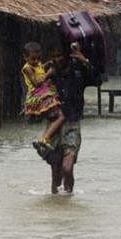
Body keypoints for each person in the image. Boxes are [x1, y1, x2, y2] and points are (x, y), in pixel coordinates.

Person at [46, 43, 99, 194]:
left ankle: (69, 197)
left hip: (72, 123)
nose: (58, 59)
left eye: (60, 55)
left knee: (67, 168)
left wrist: (85, 60)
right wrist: (46, 74)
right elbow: (34, 87)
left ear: (67, 55)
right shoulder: (50, 72)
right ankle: (57, 206)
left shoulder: (78, 71)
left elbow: (97, 80)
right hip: (53, 125)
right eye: (54, 56)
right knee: (56, 176)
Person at [21, 42, 65, 151]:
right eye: (33, 59)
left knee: (55, 116)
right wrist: (47, 74)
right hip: (38, 95)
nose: (36, 61)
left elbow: (40, 68)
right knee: (61, 116)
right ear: (25, 57)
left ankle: (44, 138)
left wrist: (47, 64)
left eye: (38, 58)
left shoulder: (38, 64)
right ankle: (45, 138)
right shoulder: (27, 68)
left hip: (45, 93)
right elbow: (36, 83)